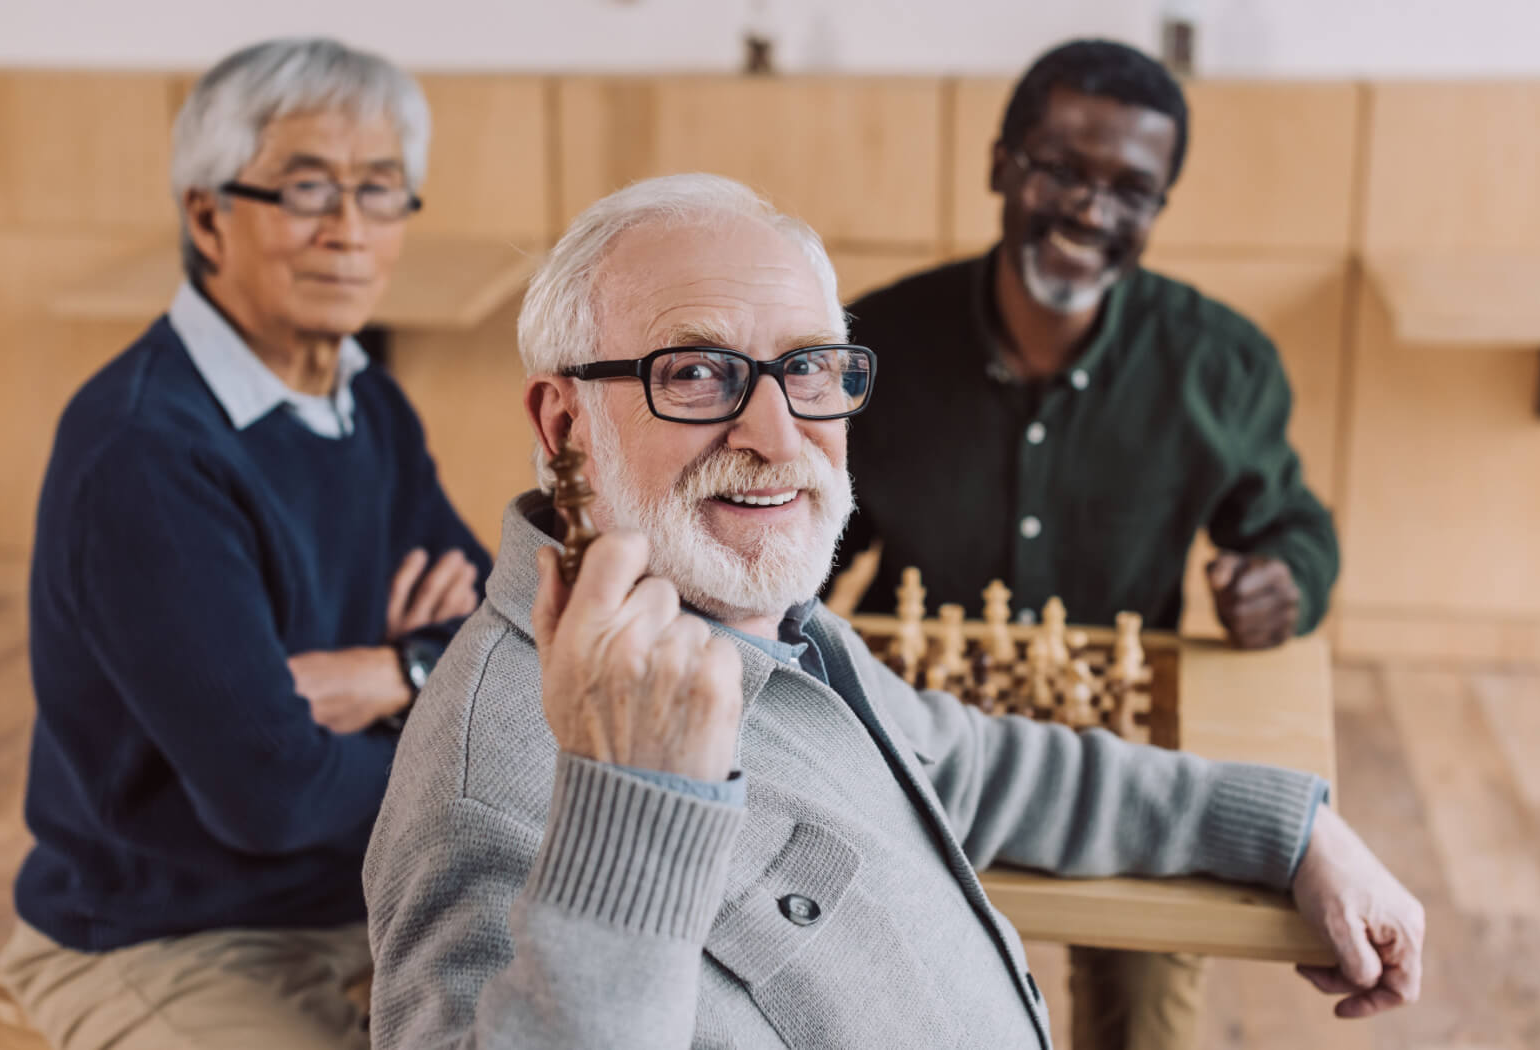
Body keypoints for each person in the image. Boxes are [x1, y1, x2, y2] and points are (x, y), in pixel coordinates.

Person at [362, 173, 1421, 1049]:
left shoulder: (751, 615)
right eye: (695, 373)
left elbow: (962, 764)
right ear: (563, 425)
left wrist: (1287, 831)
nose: (779, 437)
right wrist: (631, 806)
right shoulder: (488, 789)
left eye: (809, 370)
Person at [832, 40, 1342, 1049]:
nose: (1089, 211)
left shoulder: (1219, 364)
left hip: (1122, 751)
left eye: (1131, 191)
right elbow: (804, 539)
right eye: (1059, 168)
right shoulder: (871, 346)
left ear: (1160, 207)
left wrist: (1284, 579)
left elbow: (1290, 524)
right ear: (999, 165)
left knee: (1147, 1016)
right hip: (911, 741)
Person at [0, 38, 490, 1050]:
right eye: (307, 191)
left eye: (381, 190)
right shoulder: (144, 450)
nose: (350, 232)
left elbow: (500, 641)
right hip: (168, 938)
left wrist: (398, 672)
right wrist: (444, 713)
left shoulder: (368, 401)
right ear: (206, 215)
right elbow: (273, 794)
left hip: (368, 890)